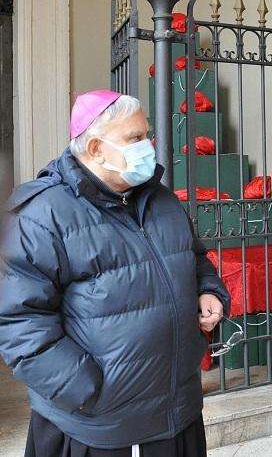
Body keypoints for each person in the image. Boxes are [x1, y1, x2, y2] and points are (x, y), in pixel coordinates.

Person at [0, 90, 230, 457]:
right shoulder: (42, 215)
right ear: (95, 147)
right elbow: (20, 323)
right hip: (98, 428)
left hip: (176, 411)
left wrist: (209, 291)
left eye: (146, 135)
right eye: (135, 138)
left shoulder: (162, 200)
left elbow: (196, 259)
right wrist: (87, 390)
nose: (148, 146)